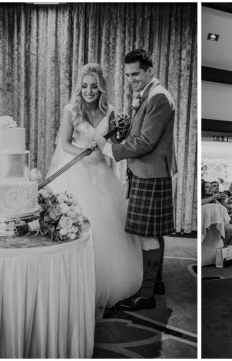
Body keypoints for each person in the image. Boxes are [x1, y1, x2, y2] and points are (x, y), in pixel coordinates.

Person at [46, 63, 142, 312]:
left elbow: (113, 141)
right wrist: (85, 153)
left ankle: (105, 282)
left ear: (101, 89)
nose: (89, 91)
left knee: (108, 227)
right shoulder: (72, 109)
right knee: (78, 224)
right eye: (85, 86)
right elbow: (65, 144)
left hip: (102, 172)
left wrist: (120, 138)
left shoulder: (110, 111)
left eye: (94, 87)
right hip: (76, 171)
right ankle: (72, 280)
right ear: (80, 87)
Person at [98, 49, 176, 310]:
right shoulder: (148, 95)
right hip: (150, 171)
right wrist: (122, 132)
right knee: (154, 232)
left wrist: (111, 149)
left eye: (136, 74)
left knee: (146, 234)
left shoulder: (159, 98)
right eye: (128, 74)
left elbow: (146, 141)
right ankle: (157, 282)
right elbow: (139, 134)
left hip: (150, 173)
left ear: (150, 71)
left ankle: (146, 295)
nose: (131, 79)